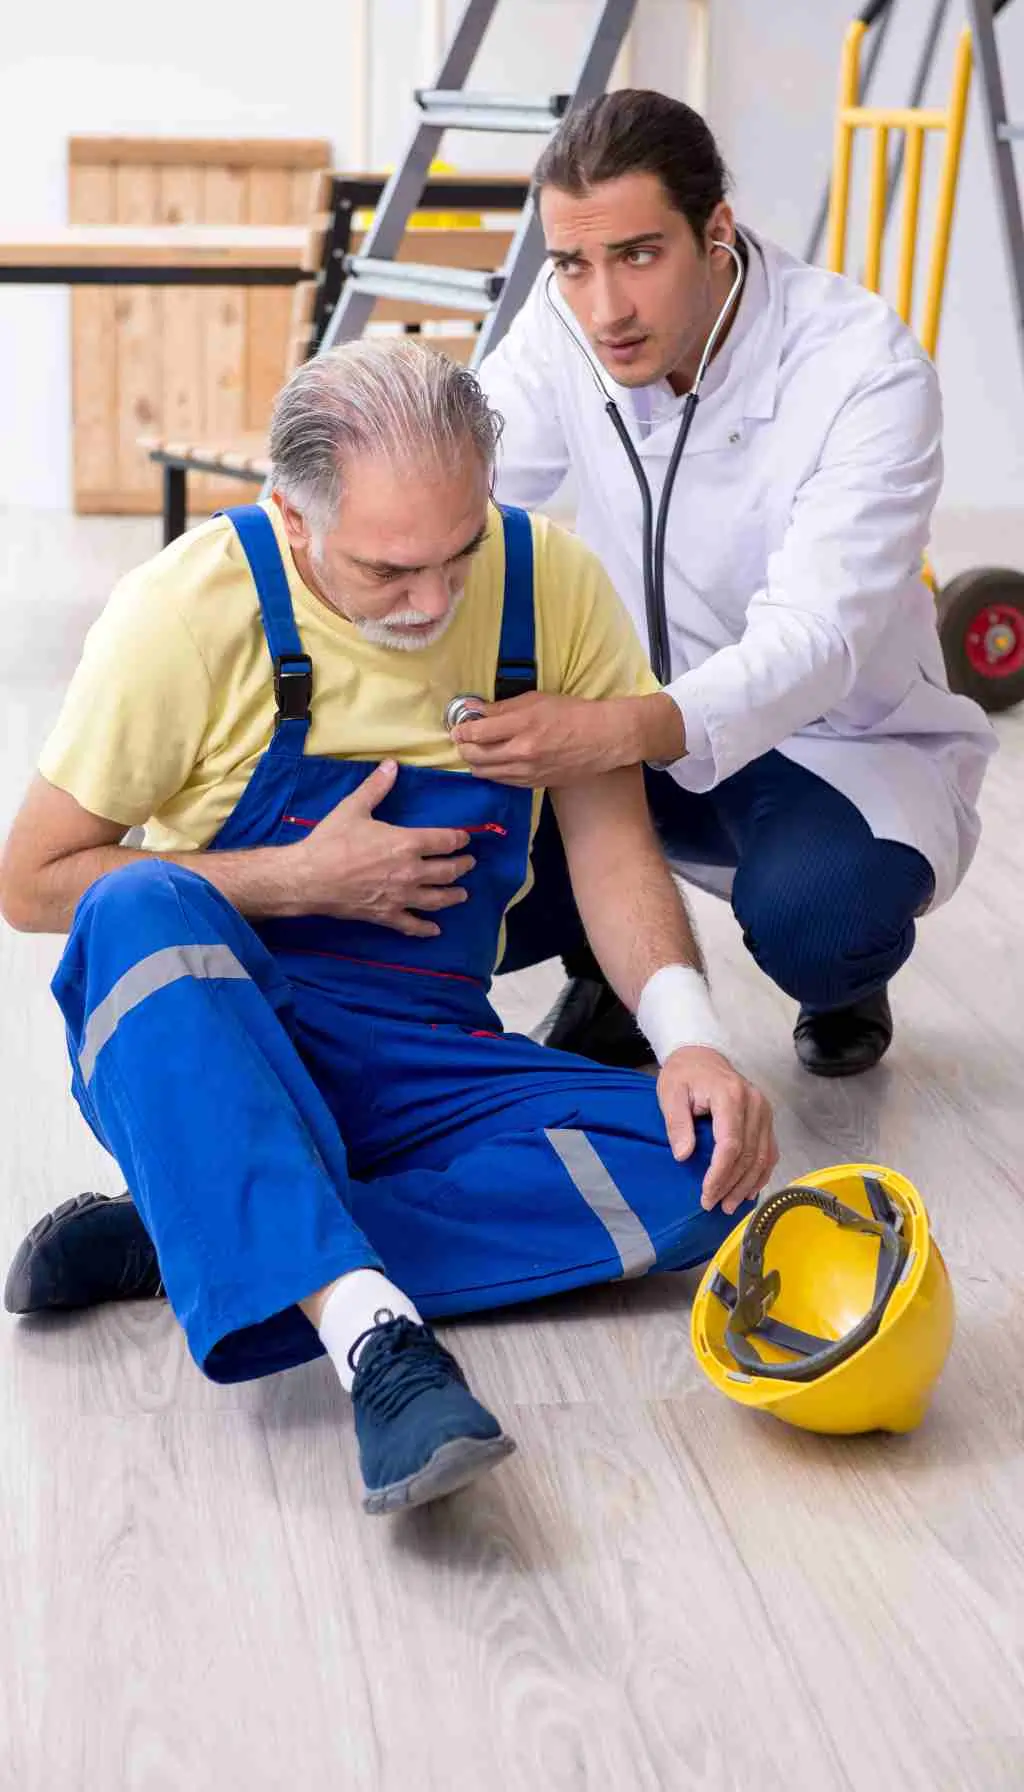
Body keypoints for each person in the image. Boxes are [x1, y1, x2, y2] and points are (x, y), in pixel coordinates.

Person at [0, 340, 776, 1515]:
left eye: (459, 552)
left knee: (706, 1175)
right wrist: (292, 877)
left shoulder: (546, 583)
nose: (434, 602)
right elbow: (33, 881)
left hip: (430, 1056)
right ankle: (373, 1335)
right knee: (134, 902)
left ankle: (207, 1219)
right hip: (231, 1033)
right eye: (390, 570)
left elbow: (615, 850)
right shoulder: (186, 609)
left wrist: (693, 1041)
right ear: (293, 521)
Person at [469, 88, 997, 1079]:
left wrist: (617, 731)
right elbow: (473, 474)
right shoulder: (564, 316)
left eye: (638, 255)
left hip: (826, 742)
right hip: (621, 715)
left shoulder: (860, 369)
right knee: (438, 870)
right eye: (573, 264)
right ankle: (615, 964)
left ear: (715, 231)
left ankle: (842, 983)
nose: (603, 309)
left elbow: (817, 638)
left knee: (821, 921)